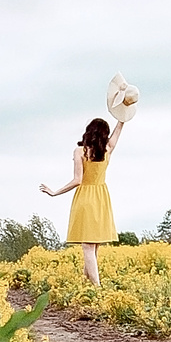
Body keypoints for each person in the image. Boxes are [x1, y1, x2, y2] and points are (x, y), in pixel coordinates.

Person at [41, 115, 124, 285]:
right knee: (94, 246)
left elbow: (77, 180)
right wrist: (123, 115)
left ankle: (96, 288)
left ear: (89, 132)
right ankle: (86, 285)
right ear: (104, 134)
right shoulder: (108, 149)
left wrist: (55, 192)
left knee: (87, 246)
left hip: (85, 198)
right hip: (101, 197)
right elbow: (120, 128)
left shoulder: (80, 151)